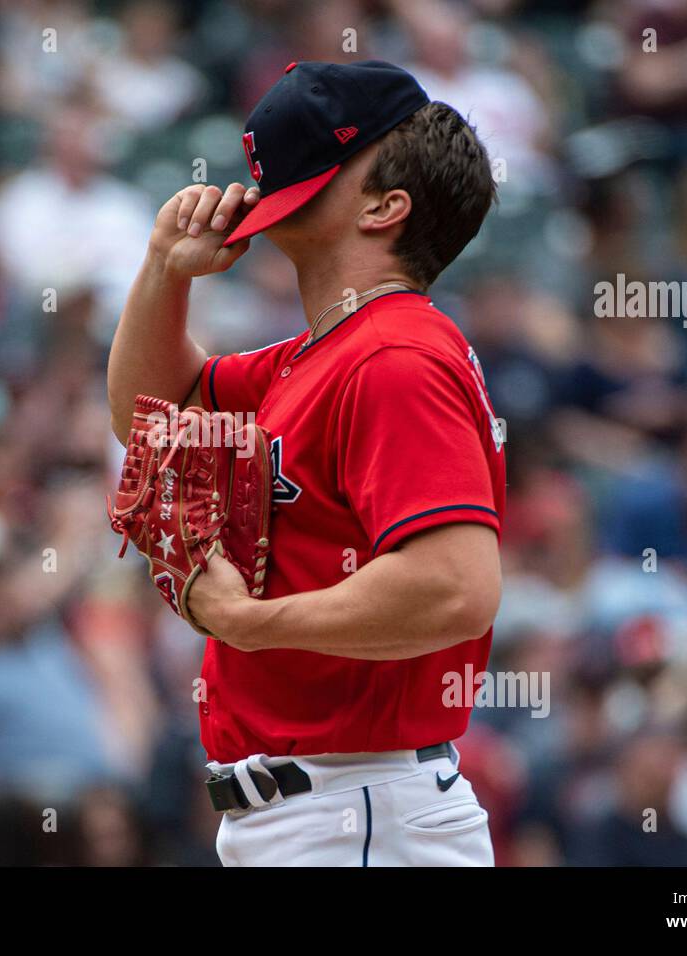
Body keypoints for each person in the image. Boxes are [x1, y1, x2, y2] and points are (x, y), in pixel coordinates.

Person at [108, 60, 503, 866]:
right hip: (329, 811)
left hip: (355, 808)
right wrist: (162, 273)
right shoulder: (325, 354)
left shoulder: (393, 357)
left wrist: (248, 623)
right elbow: (148, 412)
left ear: (386, 207)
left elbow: (457, 586)